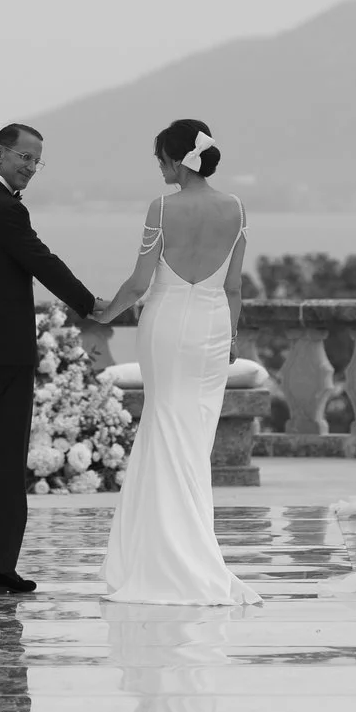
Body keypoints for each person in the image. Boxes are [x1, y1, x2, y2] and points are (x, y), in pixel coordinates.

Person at [92, 119, 260, 606]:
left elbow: (139, 284)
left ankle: (164, 559)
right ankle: (192, 553)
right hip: (211, 329)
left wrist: (102, 311)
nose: (158, 167)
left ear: (173, 158)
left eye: (159, 158)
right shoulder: (236, 208)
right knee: (192, 439)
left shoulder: (161, 208)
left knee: (164, 427)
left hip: (165, 327)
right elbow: (234, 287)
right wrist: (231, 336)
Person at [0, 122, 99, 594]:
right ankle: (0, 568)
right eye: (24, 158)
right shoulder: (5, 210)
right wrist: (92, 305)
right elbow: (42, 262)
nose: (31, 168)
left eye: (36, 161)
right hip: (5, 351)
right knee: (10, 458)